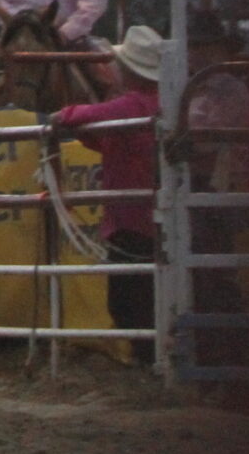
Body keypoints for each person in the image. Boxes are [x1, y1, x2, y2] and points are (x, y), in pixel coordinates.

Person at [50, 23, 164, 361]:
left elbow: (86, 117)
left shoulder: (129, 106)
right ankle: (155, 359)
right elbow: (103, 135)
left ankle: (146, 360)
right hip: (152, 214)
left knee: (128, 299)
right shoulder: (163, 103)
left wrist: (63, 115)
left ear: (128, 69)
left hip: (130, 219)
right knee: (149, 294)